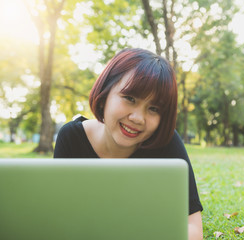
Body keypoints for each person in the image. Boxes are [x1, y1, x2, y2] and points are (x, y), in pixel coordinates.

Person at [54, 48, 203, 240]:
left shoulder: (166, 143)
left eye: (154, 108)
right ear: (106, 93)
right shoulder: (72, 138)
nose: (138, 118)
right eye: (130, 98)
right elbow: (59, 219)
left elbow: (193, 228)